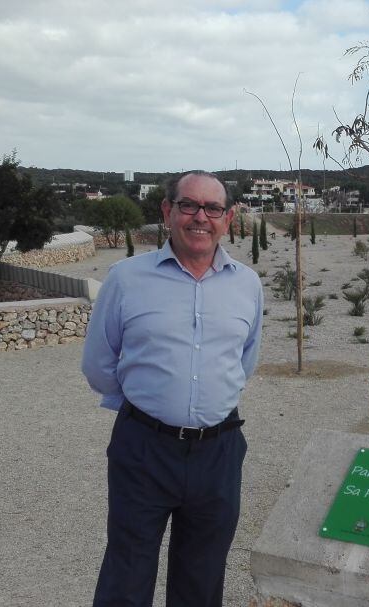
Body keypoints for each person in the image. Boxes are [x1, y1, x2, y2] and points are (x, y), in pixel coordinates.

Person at [82, 170, 264, 606]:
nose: (201, 217)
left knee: (202, 579)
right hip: (143, 448)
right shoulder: (126, 279)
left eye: (213, 208)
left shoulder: (247, 285)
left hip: (218, 453)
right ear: (168, 211)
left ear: (228, 217)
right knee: (127, 574)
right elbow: (99, 365)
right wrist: (150, 406)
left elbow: (245, 361)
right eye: (189, 205)